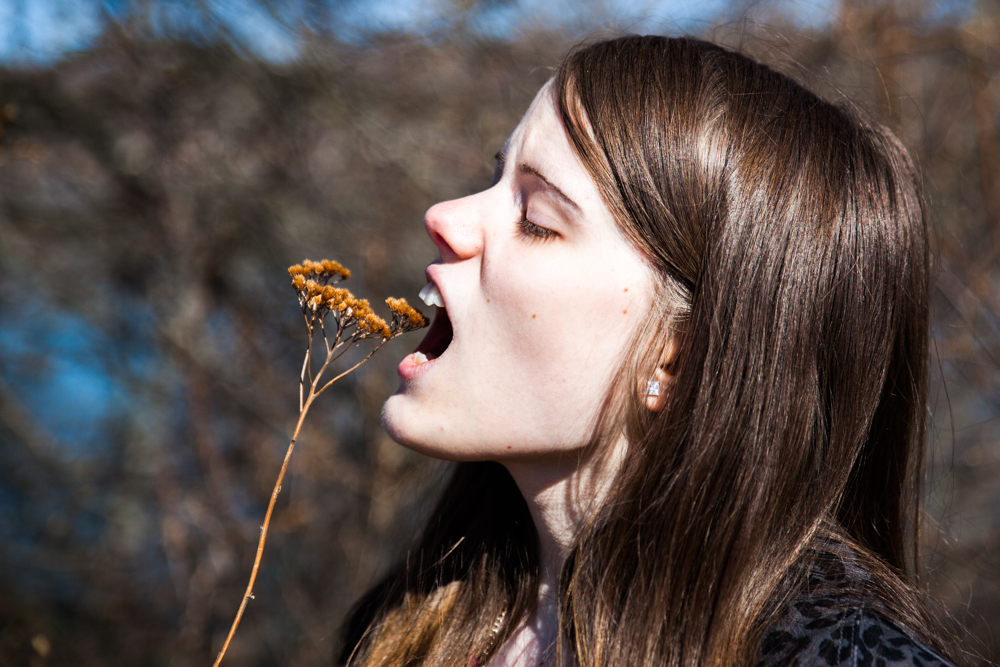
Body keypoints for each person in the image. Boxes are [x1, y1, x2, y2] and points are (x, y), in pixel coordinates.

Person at [339, 35, 962, 667]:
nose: (444, 215)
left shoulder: (833, 657)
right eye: (494, 178)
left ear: (676, 358)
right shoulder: (402, 628)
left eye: (537, 219)